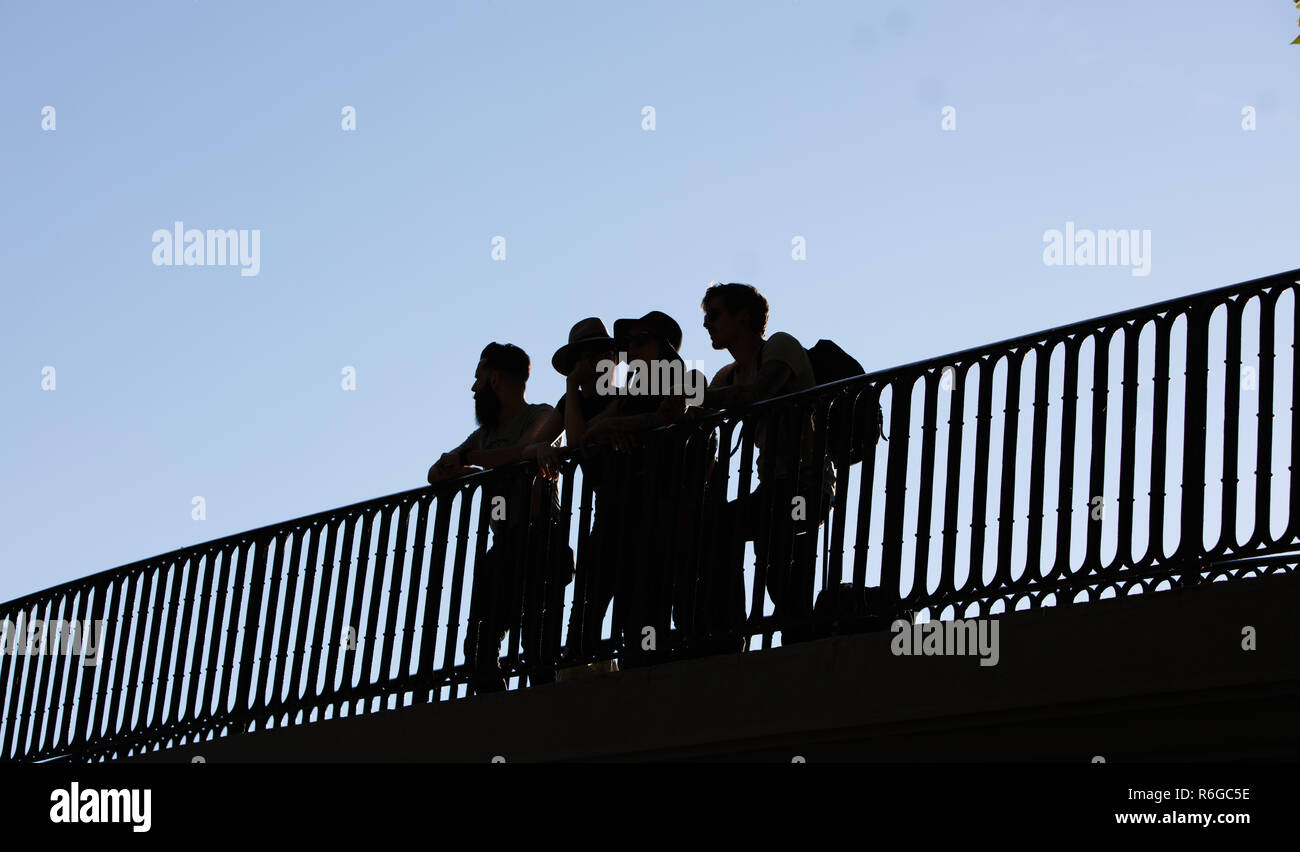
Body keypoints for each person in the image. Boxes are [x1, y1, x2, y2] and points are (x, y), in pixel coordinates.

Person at [701, 283, 835, 646]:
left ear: (743, 316)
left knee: (777, 564)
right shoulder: (727, 375)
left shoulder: (779, 346)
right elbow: (696, 414)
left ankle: (798, 639)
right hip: (771, 488)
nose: (706, 324)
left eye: (714, 315)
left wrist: (694, 396)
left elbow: (757, 392)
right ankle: (730, 634)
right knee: (719, 530)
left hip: (806, 487)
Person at [427, 342, 564, 694]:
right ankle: (496, 713)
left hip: (540, 541)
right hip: (503, 546)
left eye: (478, 378)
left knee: (538, 642)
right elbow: (436, 471)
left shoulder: (543, 414)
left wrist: (470, 458)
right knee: (479, 644)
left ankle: (546, 714)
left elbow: (523, 453)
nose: (473, 389)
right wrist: (453, 465)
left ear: (495, 379)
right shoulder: (483, 435)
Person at [584, 311, 711, 666]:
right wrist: (613, 426)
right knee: (616, 603)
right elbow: (586, 433)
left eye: (641, 341)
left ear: (665, 346)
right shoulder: (626, 396)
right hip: (621, 510)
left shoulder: (689, 378)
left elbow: (668, 416)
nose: (631, 349)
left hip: (665, 507)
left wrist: (617, 426)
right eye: (628, 344)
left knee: (654, 600)